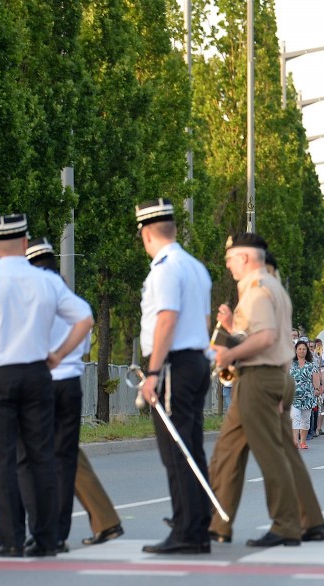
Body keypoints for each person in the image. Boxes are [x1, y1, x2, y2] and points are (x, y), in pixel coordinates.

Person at [0, 239, 125, 549]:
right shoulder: (62, 292)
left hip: (39, 382)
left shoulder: (33, 293)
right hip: (66, 379)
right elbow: (84, 332)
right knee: (54, 457)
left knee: (29, 455)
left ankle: (37, 528)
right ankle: (11, 523)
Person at [0, 214, 93, 557]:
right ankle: (46, 538)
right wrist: (58, 354)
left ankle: (11, 538)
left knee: (2, 460)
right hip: (37, 374)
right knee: (41, 457)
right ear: (24, 241)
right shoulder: (46, 281)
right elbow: (84, 318)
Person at [212, 232, 324, 548]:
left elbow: (264, 339)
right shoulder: (269, 288)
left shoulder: (258, 291)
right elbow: (263, 335)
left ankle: (286, 524)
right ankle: (309, 520)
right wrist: (232, 329)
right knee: (229, 451)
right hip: (270, 376)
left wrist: (228, 354)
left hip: (259, 378)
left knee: (269, 454)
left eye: (231, 258)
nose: (228, 264)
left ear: (246, 258)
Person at [134, 199, 214, 555]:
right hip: (196, 361)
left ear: (146, 233)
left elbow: (166, 319)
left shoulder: (164, 269)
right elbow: (206, 322)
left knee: (175, 451)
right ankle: (197, 525)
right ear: (174, 229)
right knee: (191, 445)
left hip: (173, 365)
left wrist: (153, 371)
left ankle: (186, 530)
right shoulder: (195, 266)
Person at [290, 339, 319, 450]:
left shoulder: (311, 365)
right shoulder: (291, 364)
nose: (302, 351)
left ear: (307, 351)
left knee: (305, 419)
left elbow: (315, 378)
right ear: (296, 351)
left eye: (304, 349)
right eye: (299, 349)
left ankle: (303, 441)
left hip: (308, 396)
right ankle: (295, 441)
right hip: (293, 396)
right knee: (295, 417)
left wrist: (316, 389)